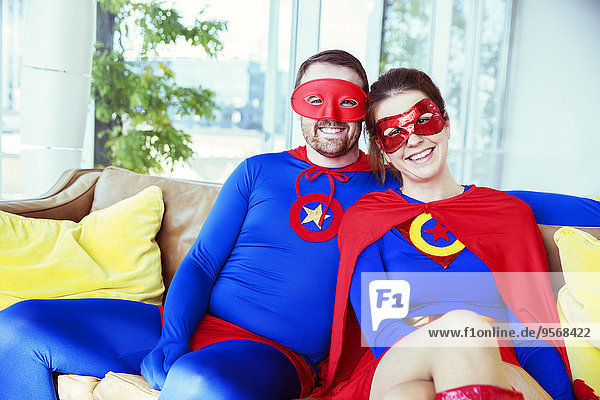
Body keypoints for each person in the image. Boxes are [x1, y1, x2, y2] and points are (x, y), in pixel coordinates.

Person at [0, 50, 399, 400]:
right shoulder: (258, 171)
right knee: (17, 326)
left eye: (346, 101)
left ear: (366, 111)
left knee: (198, 380)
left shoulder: (391, 191)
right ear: (298, 105)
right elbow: (203, 262)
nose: (329, 116)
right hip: (195, 325)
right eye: (315, 99)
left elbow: (416, 287)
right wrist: (173, 339)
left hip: (277, 355)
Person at [320, 68, 597, 400]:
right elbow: (383, 330)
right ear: (382, 148)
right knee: (467, 329)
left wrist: (548, 390)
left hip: (490, 372)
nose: (414, 139)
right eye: (394, 133)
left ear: (446, 123)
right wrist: (467, 340)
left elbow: (531, 331)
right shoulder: (367, 219)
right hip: (395, 362)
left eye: (423, 121)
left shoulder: (505, 213)